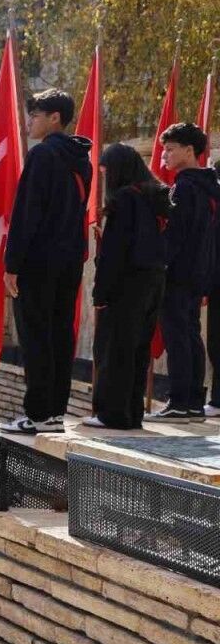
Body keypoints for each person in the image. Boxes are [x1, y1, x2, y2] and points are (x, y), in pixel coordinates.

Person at [0, 89, 94, 434]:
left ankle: (38, 414)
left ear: (55, 118)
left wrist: (12, 264)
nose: (29, 122)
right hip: (68, 262)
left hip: (38, 262)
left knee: (36, 336)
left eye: (36, 115)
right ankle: (53, 413)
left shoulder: (42, 155)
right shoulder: (82, 161)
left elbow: (27, 213)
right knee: (59, 336)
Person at [84, 144, 172, 429]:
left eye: (106, 171)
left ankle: (112, 414)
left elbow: (115, 253)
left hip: (126, 285)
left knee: (115, 349)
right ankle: (132, 412)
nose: (105, 177)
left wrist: (100, 293)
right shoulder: (156, 197)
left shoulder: (125, 199)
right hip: (153, 282)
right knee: (138, 350)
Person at [143, 123, 220, 421]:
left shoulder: (186, 187)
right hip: (200, 273)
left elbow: (176, 235)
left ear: (190, 151)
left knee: (178, 336)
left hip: (179, 274)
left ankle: (178, 402)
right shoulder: (210, 187)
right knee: (191, 335)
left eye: (171, 149)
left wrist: (159, 263)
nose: (165, 155)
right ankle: (192, 403)